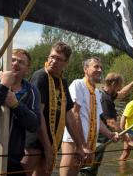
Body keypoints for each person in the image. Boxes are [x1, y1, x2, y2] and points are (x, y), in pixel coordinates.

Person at [22, 42, 90, 176]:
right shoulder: (41, 76)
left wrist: (79, 145)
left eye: (59, 59)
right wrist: (47, 147)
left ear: (66, 63)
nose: (53, 61)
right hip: (33, 140)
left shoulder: (62, 81)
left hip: (52, 140)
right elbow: (38, 113)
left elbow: (68, 115)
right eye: (52, 57)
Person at [60, 57, 119, 176]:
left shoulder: (96, 92)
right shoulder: (78, 84)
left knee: (75, 173)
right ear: (85, 69)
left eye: (101, 67)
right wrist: (81, 144)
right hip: (74, 140)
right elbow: (75, 114)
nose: (100, 70)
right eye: (96, 66)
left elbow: (98, 120)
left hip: (87, 141)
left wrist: (110, 134)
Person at [95, 71, 133, 175]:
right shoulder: (105, 98)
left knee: (95, 164)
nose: (120, 87)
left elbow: (123, 93)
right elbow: (111, 122)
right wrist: (127, 139)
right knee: (91, 166)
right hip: (97, 138)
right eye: (119, 85)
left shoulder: (107, 93)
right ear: (113, 84)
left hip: (102, 136)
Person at [119, 87, 133, 161]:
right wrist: (123, 132)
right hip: (130, 132)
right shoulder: (131, 104)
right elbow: (123, 118)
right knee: (126, 154)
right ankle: (121, 171)